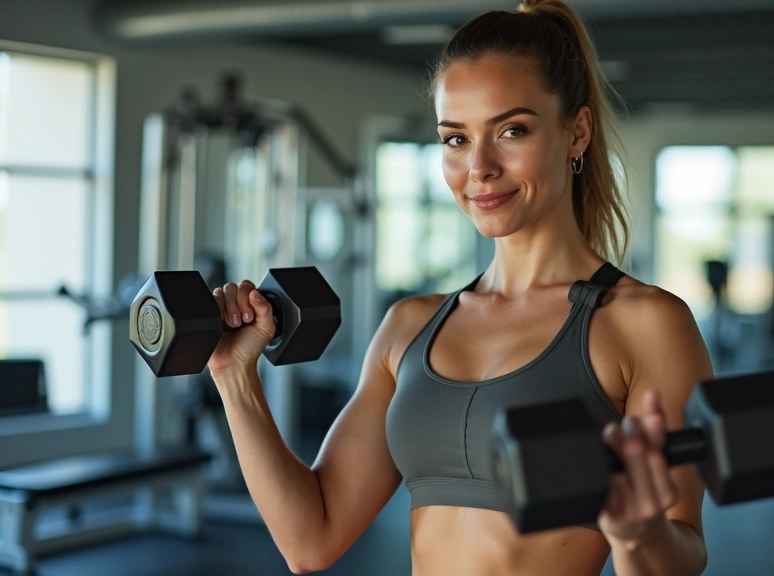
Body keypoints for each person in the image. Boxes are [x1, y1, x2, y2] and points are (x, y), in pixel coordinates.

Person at [207, 1, 713, 574]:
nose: (480, 167)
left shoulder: (643, 322)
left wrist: (639, 534)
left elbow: (684, 549)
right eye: (455, 139)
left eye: (511, 130)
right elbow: (311, 539)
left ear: (577, 131)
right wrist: (234, 377)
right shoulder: (410, 325)